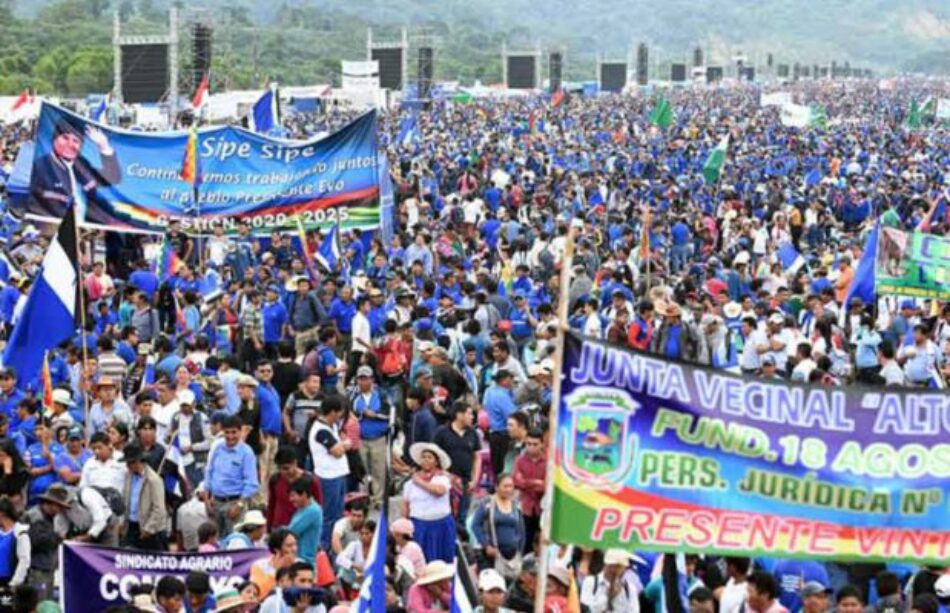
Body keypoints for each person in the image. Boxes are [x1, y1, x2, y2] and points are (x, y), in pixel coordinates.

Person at [29, 118, 121, 222]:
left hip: (84, 226)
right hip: (49, 226)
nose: (70, 144)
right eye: (65, 138)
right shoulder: (39, 166)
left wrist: (103, 145)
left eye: (76, 141)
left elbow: (112, 178)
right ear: (54, 139)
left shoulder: (81, 165)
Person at [199, 415, 259, 534]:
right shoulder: (218, 448)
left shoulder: (246, 453)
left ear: (240, 431)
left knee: (234, 543)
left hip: (234, 503)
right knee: (215, 543)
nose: (230, 436)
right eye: (227, 432)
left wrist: (239, 505)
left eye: (234, 432)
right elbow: (209, 471)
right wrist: (206, 499)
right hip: (215, 503)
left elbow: (251, 483)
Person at [308, 395, 351, 550]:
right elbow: (337, 451)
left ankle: (336, 545)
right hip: (328, 477)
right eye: (339, 413)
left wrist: (342, 443)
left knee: (339, 514)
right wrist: (345, 444)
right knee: (329, 516)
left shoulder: (331, 427)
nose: (341, 416)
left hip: (338, 475)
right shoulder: (320, 431)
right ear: (332, 412)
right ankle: (324, 547)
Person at [402, 442, 456, 564]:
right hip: (420, 525)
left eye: (429, 457)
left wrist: (419, 481)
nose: (426, 460)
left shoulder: (442, 478)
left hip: (441, 525)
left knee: (443, 559)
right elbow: (405, 505)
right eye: (424, 457)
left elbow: (439, 491)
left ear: (436, 462)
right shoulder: (409, 484)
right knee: (421, 559)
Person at [433, 401, 481, 523]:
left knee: (462, 517)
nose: (472, 417)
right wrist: (448, 476)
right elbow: (433, 456)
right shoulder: (441, 432)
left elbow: (477, 457)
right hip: (445, 482)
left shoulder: (473, 433)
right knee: (446, 516)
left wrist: (475, 479)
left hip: (465, 483)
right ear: (459, 415)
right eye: (469, 413)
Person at [350, 365, 391, 509]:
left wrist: (375, 415)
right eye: (360, 379)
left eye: (365, 379)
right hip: (360, 438)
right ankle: (364, 499)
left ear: (372, 380)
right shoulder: (353, 395)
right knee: (363, 471)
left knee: (379, 470)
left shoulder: (382, 395)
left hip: (378, 438)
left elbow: (390, 413)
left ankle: (378, 500)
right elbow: (350, 413)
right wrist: (362, 414)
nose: (362, 382)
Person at [472, 473, 524, 579]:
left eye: (511, 486)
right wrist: (486, 545)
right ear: (496, 487)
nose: (508, 489)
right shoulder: (487, 503)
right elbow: (475, 525)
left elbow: (521, 530)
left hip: (512, 556)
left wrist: (519, 551)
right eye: (505, 486)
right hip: (492, 555)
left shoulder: (516, 505)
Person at [121, 442, 168, 551]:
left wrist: (148, 529)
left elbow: (159, 509)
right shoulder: (128, 476)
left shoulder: (154, 480)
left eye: (129, 463)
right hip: (132, 526)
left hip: (151, 531)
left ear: (137, 462)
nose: (127, 466)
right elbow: (126, 499)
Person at [267, 446, 323, 530]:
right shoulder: (275, 479)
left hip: (302, 529)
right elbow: (271, 506)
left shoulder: (311, 481)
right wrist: (268, 529)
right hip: (278, 528)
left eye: (286, 468)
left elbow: (318, 508)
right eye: (280, 468)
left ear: (295, 463)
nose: (283, 472)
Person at [579, 549, 640, 613]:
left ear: (624, 568)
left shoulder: (630, 589)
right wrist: (607, 597)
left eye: (618, 567)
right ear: (605, 564)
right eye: (611, 566)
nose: (614, 570)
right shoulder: (590, 582)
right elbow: (586, 609)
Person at [483, 370, 517, 478]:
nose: (513, 382)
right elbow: (512, 415)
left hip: (492, 433)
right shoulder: (502, 395)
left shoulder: (489, 391)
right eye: (511, 379)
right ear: (505, 381)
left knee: (496, 466)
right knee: (504, 466)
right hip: (503, 434)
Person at [250, 527, 298, 600]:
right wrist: (276, 571)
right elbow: (257, 595)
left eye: (295, 544)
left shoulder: (300, 564)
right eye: (289, 546)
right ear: (277, 550)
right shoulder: (259, 566)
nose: (294, 549)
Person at [0, 496, 30, 606]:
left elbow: (24, 560)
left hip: (8, 582)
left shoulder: (20, 533)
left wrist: (13, 584)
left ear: (2, 514)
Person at [288, 478, 323, 566]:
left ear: (303, 494)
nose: (291, 499)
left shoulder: (312, 511)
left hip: (304, 561)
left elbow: (291, 532)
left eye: (293, 495)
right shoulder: (302, 509)